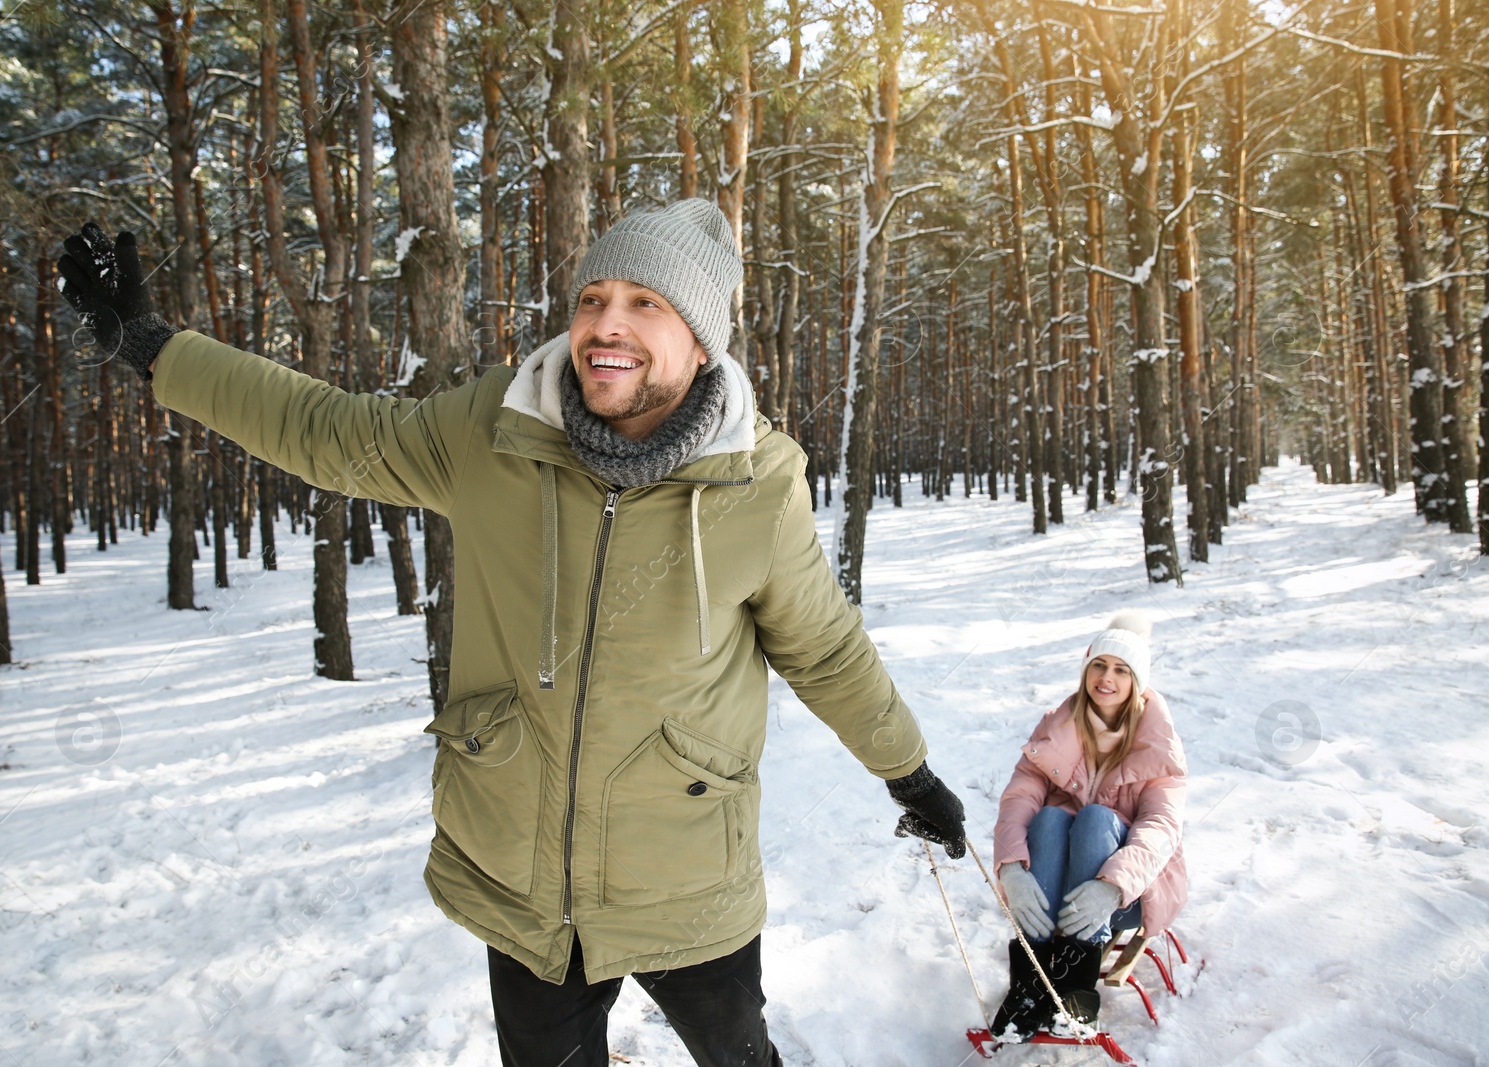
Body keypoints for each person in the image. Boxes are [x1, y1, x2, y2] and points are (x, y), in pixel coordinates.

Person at [56, 201, 969, 1067]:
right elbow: (326, 431)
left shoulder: (756, 484)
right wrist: (150, 347)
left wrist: (909, 770)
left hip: (685, 864)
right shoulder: (494, 429)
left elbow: (824, 647)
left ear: (699, 340)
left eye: (645, 303)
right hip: (522, 872)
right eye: (592, 299)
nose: (606, 324)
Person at [988, 610, 1187, 1040]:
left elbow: (1161, 828)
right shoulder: (1058, 727)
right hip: (1050, 887)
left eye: (1121, 669)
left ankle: (1076, 989)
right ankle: (1029, 985)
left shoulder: (1158, 746)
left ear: (1138, 681)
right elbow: (1019, 795)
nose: (1106, 678)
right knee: (1049, 817)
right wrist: (1009, 868)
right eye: (1098, 664)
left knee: (1097, 819)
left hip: (1126, 895)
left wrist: (1112, 887)